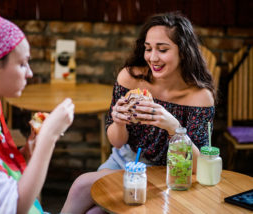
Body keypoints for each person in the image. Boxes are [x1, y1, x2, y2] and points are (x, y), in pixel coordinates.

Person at [61, 12, 215, 214]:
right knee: (85, 191)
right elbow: (117, 142)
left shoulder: (199, 97)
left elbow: (199, 167)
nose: (153, 57)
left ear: (183, 52)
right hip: (124, 161)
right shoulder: (130, 78)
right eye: (148, 48)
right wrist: (118, 122)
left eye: (162, 49)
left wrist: (173, 127)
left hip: (168, 174)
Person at [0, 0, 74, 213]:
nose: (30, 73)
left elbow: (0, 177)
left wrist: (29, 154)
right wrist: (48, 137)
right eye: (22, 63)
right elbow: (14, 208)